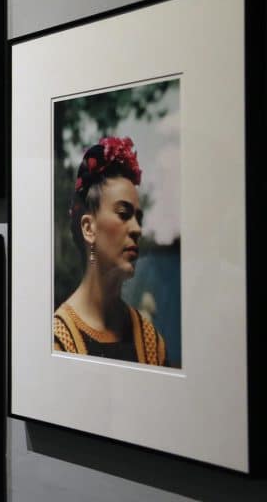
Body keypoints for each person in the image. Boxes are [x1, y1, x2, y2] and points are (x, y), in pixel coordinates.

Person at [53, 136, 167, 366]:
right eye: (123, 214)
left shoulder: (149, 339)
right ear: (88, 228)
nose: (137, 229)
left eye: (138, 218)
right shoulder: (59, 339)